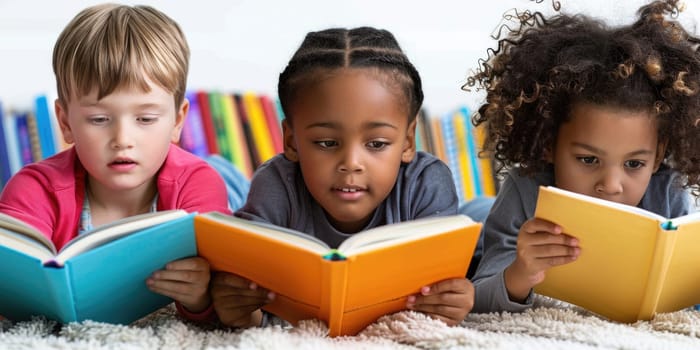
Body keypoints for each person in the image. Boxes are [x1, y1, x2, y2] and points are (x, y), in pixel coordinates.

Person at [210, 26, 475, 329]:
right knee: (221, 180)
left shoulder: (427, 183)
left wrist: (453, 300)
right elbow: (250, 300)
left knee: (480, 212)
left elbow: (446, 292)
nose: (351, 164)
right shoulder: (274, 185)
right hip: (252, 188)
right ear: (292, 141)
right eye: (326, 143)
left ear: (408, 141)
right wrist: (242, 309)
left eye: (376, 144)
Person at [465, 0, 700, 313]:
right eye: (589, 160)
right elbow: (478, 299)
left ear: (657, 157)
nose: (611, 185)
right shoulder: (524, 191)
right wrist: (521, 272)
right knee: (472, 217)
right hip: (480, 217)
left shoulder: (669, 195)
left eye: (634, 164)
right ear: (549, 144)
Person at [0, 4, 231, 320]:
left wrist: (201, 298)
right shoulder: (34, 188)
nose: (123, 138)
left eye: (146, 118)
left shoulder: (199, 185)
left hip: (213, 176)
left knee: (234, 187)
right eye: (98, 119)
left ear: (178, 121)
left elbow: (230, 300)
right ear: (65, 122)